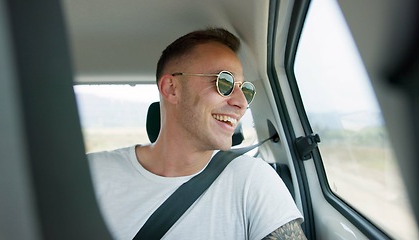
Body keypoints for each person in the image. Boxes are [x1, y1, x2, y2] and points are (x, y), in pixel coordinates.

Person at [88, 27, 306, 239]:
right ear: (172, 89)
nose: (241, 103)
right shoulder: (91, 174)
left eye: (245, 89)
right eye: (225, 82)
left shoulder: (253, 180)